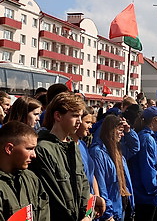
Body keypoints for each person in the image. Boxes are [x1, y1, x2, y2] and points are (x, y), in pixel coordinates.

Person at [29, 92, 92, 221]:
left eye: (80, 116)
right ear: (58, 116)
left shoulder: (72, 146)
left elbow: (83, 183)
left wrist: (86, 213)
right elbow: (53, 195)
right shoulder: (43, 149)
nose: (79, 121)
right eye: (74, 116)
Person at [0, 121, 50, 221]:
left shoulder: (31, 179)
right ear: (9, 149)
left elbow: (44, 212)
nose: (34, 155)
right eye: (29, 149)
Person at [90, 115, 134, 221]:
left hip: (121, 208)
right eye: (120, 130)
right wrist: (108, 215)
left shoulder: (117, 151)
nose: (122, 134)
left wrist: (129, 131)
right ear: (111, 130)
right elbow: (101, 186)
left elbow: (135, 147)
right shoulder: (98, 153)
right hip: (110, 213)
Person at [131, 106, 157, 220]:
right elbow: (148, 167)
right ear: (154, 120)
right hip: (146, 194)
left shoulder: (147, 136)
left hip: (144, 193)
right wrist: (153, 189)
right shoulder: (147, 139)